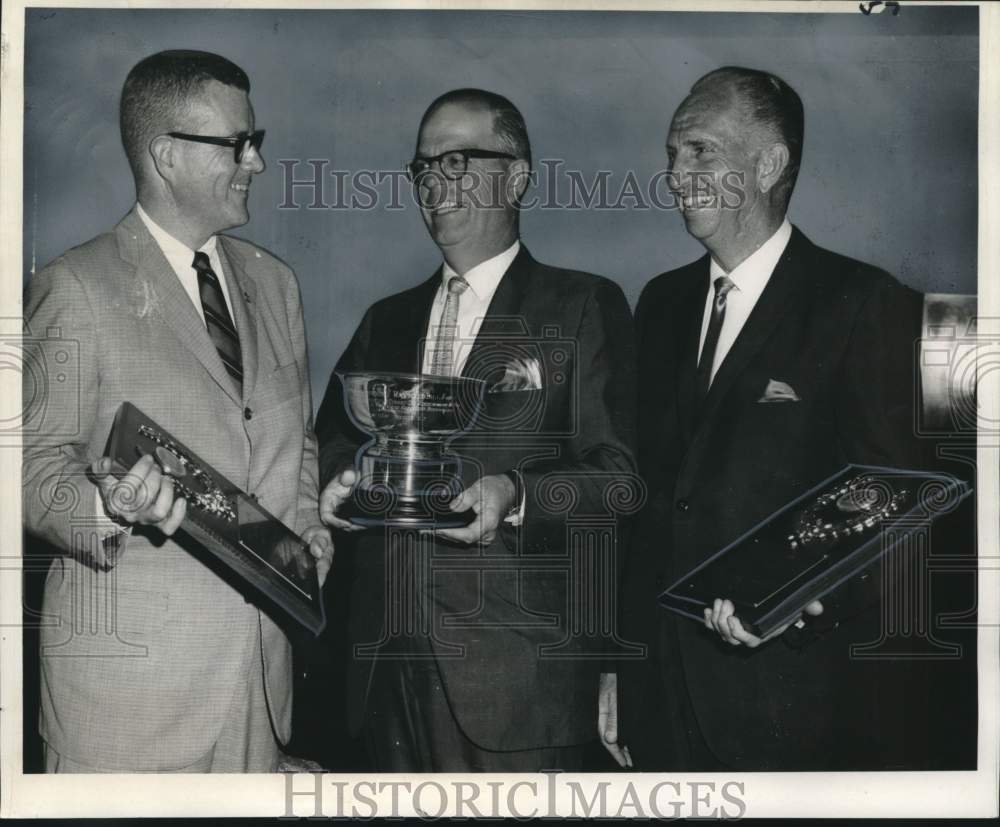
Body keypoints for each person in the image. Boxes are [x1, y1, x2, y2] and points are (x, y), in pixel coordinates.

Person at [22, 49, 332, 773]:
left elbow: (299, 442)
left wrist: (308, 524)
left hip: (260, 699)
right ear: (165, 155)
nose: (255, 161)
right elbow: (26, 466)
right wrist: (108, 507)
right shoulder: (76, 287)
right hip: (127, 710)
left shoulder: (277, 285)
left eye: (257, 142)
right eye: (237, 144)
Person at [613, 66, 929, 770]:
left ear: (769, 163)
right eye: (671, 154)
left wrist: (808, 600)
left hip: (792, 703)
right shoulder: (659, 305)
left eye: (699, 150)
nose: (675, 173)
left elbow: (899, 506)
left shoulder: (862, 303)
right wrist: (617, 668)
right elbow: (646, 505)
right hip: (662, 698)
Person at [314, 88, 636, 772]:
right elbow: (333, 441)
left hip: (517, 681)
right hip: (382, 667)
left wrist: (515, 496)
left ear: (517, 176)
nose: (436, 183)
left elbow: (618, 481)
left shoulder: (581, 305)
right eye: (424, 167)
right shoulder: (385, 318)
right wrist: (339, 483)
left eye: (458, 161)